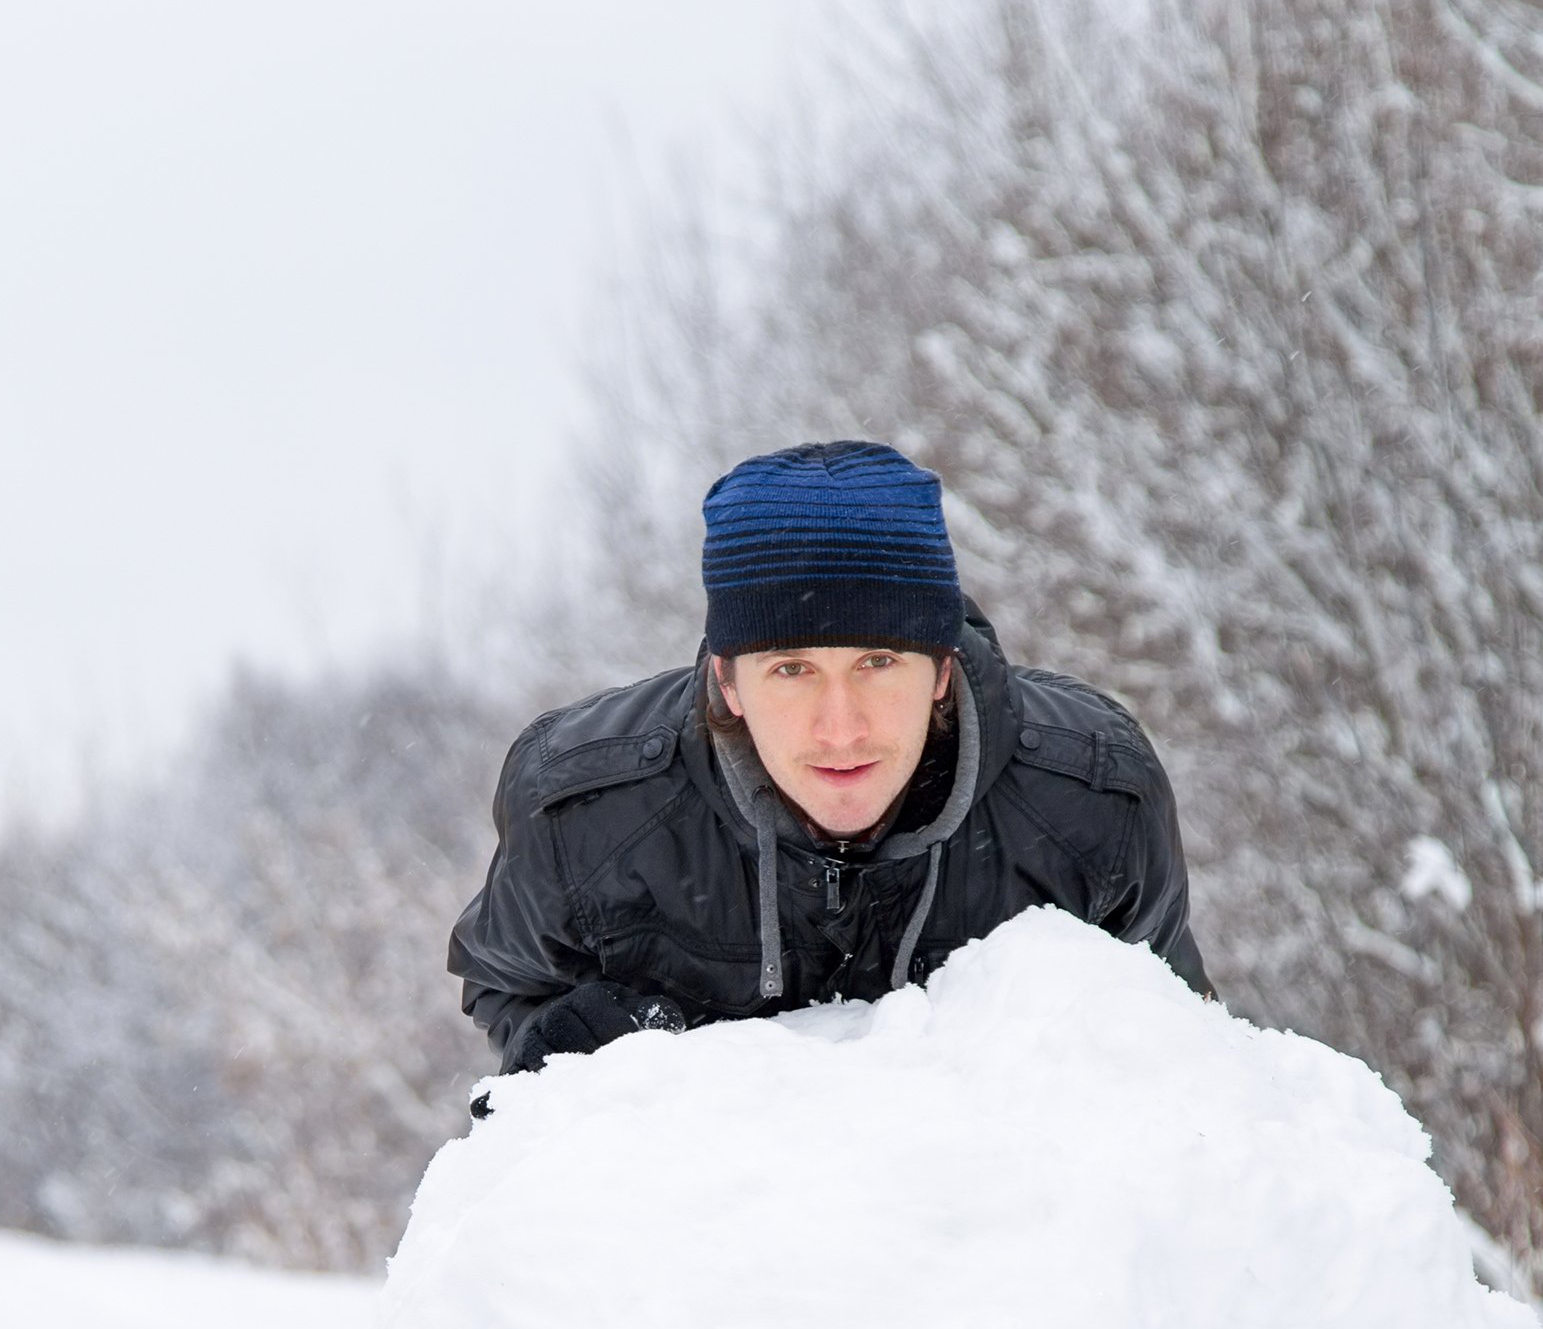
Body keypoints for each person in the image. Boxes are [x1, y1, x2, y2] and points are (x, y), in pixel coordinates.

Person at [450, 439, 1213, 1074]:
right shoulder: (583, 809)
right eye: (792, 670)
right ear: (729, 680)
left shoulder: (1093, 798)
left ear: (942, 667)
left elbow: (1186, 1052)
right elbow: (505, 979)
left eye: (878, 662)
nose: (840, 728)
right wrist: (569, 1048)